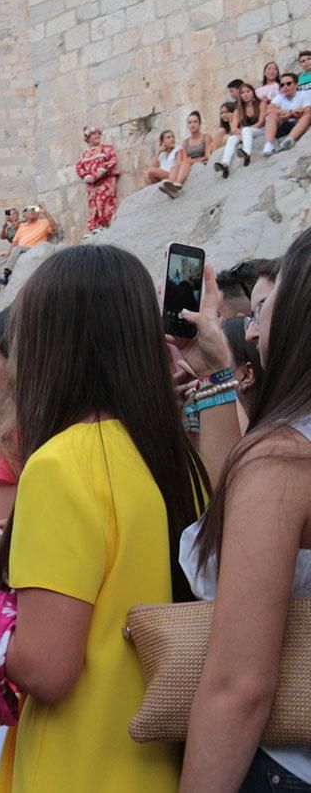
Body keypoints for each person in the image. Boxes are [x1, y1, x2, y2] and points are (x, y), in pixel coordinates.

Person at [0, 246, 209, 792]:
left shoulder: (61, 464)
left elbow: (48, 668)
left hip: (78, 762)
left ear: (51, 347)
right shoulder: (174, 458)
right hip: (154, 760)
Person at [174, 228, 311, 791]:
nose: (250, 330)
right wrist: (215, 377)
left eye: (261, 310)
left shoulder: (284, 458)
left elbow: (238, 688)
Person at [0, 205, 59, 291]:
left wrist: (45, 212)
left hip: (34, 249)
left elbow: (54, 228)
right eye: (29, 210)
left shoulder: (44, 222)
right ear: (24, 215)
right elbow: (14, 242)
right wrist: (8, 253)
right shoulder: (22, 226)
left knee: (17, 249)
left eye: (33, 210)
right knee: (0, 259)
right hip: (21, 249)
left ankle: (6, 276)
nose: (32, 211)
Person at [75, 124, 119, 231]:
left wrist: (100, 172)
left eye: (98, 134)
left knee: (104, 202)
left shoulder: (106, 149)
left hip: (105, 181)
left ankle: (107, 225)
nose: (96, 136)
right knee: (93, 204)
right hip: (92, 184)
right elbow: (79, 167)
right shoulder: (85, 155)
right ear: (88, 138)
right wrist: (86, 176)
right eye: (93, 135)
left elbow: (112, 160)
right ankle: (96, 227)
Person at [159, 110, 211, 199]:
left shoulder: (206, 137)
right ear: (187, 125)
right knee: (175, 166)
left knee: (185, 162)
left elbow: (207, 156)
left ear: (199, 124)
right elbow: (184, 158)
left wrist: (193, 160)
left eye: (195, 122)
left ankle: (178, 183)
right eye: (190, 122)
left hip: (201, 163)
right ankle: (170, 184)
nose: (192, 124)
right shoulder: (185, 142)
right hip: (187, 164)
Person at [262, 72, 310, 156]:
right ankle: (268, 145)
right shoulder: (280, 97)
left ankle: (289, 140)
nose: (285, 87)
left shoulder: (305, 94)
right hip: (284, 124)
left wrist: (290, 114)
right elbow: (269, 110)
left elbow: (308, 110)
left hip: (299, 123)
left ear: (296, 85)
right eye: (282, 84)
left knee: (307, 116)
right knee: (272, 115)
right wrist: (286, 112)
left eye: (288, 84)